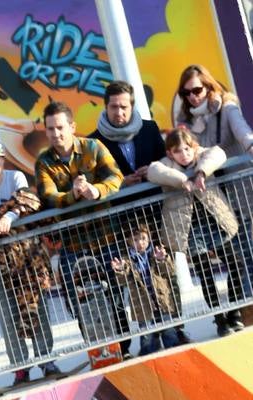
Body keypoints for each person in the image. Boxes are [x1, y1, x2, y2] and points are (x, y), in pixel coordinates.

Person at [89, 80, 179, 352]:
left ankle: (175, 329)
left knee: (164, 271)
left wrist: (151, 170)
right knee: (132, 279)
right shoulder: (94, 140)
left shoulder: (149, 129)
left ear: (132, 106)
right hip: (123, 220)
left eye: (124, 107)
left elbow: (167, 160)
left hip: (153, 212)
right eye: (114, 107)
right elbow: (97, 178)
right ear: (106, 107)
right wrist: (121, 182)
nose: (119, 113)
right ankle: (144, 337)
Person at [0, 139, 60, 385]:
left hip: (26, 254)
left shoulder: (15, 177)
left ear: (2, 159)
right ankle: (20, 367)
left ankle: (46, 359)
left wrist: (9, 216)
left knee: (36, 304)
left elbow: (25, 200)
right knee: (8, 313)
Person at [34, 102, 125, 352]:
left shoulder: (93, 147)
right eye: (51, 129)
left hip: (106, 236)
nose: (56, 133)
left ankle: (123, 349)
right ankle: (96, 351)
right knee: (77, 300)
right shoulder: (43, 162)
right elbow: (49, 197)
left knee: (116, 294)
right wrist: (74, 194)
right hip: (73, 243)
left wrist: (96, 191)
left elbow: (115, 176)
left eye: (61, 127)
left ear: (72, 126)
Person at [147, 128, 245, 336]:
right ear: (170, 153)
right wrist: (182, 180)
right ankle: (220, 319)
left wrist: (200, 172)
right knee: (206, 274)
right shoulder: (166, 164)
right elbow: (154, 171)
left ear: (193, 147)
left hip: (215, 222)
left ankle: (234, 311)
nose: (184, 154)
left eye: (187, 149)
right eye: (177, 151)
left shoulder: (201, 154)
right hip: (189, 229)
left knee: (236, 263)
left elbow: (218, 153)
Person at [174, 63, 253, 314]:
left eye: (196, 90)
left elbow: (243, 132)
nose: (192, 97)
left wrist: (251, 146)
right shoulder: (185, 122)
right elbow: (184, 154)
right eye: (186, 93)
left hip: (243, 188)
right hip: (215, 196)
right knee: (242, 254)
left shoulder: (227, 106)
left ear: (208, 86)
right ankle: (245, 311)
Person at [110, 224, 181, 355]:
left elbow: (169, 271)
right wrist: (120, 270)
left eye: (143, 238)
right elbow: (122, 281)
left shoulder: (156, 252)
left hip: (161, 297)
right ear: (129, 241)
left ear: (149, 237)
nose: (140, 243)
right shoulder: (127, 259)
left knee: (168, 328)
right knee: (146, 333)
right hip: (141, 302)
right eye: (135, 240)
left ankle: (173, 349)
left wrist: (162, 259)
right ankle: (149, 352)